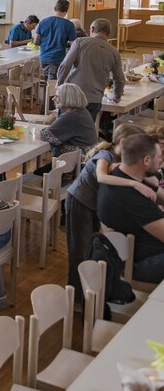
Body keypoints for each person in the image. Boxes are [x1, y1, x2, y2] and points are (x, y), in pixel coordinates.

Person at [65, 123, 148, 299]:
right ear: (123, 143)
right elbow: (102, 177)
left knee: (90, 248)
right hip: (79, 202)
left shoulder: (121, 159)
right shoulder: (105, 155)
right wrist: (134, 183)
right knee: (79, 252)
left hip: (92, 205)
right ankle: (76, 299)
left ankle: (88, 295)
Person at [97, 134, 164, 283]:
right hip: (142, 263)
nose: (161, 160)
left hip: (132, 256)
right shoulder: (131, 197)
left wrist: (153, 185)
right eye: (159, 156)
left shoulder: (119, 174)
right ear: (146, 160)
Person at [57, 18, 124, 121]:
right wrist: (116, 96)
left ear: (92, 29)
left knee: (64, 126)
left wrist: (59, 85)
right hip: (94, 99)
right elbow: (119, 79)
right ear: (108, 32)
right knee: (86, 128)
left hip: (72, 95)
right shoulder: (114, 52)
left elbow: (65, 65)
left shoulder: (80, 42)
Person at [38, 83, 98, 166]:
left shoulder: (71, 116)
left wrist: (48, 123)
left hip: (77, 165)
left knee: (37, 172)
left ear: (67, 98)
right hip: (87, 160)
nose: (53, 99)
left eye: (57, 96)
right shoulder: (81, 111)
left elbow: (45, 135)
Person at [34, 0, 77, 80]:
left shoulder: (43, 22)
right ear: (66, 11)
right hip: (58, 58)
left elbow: (36, 41)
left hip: (43, 57)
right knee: (53, 83)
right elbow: (73, 45)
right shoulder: (69, 25)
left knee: (46, 80)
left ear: (54, 8)